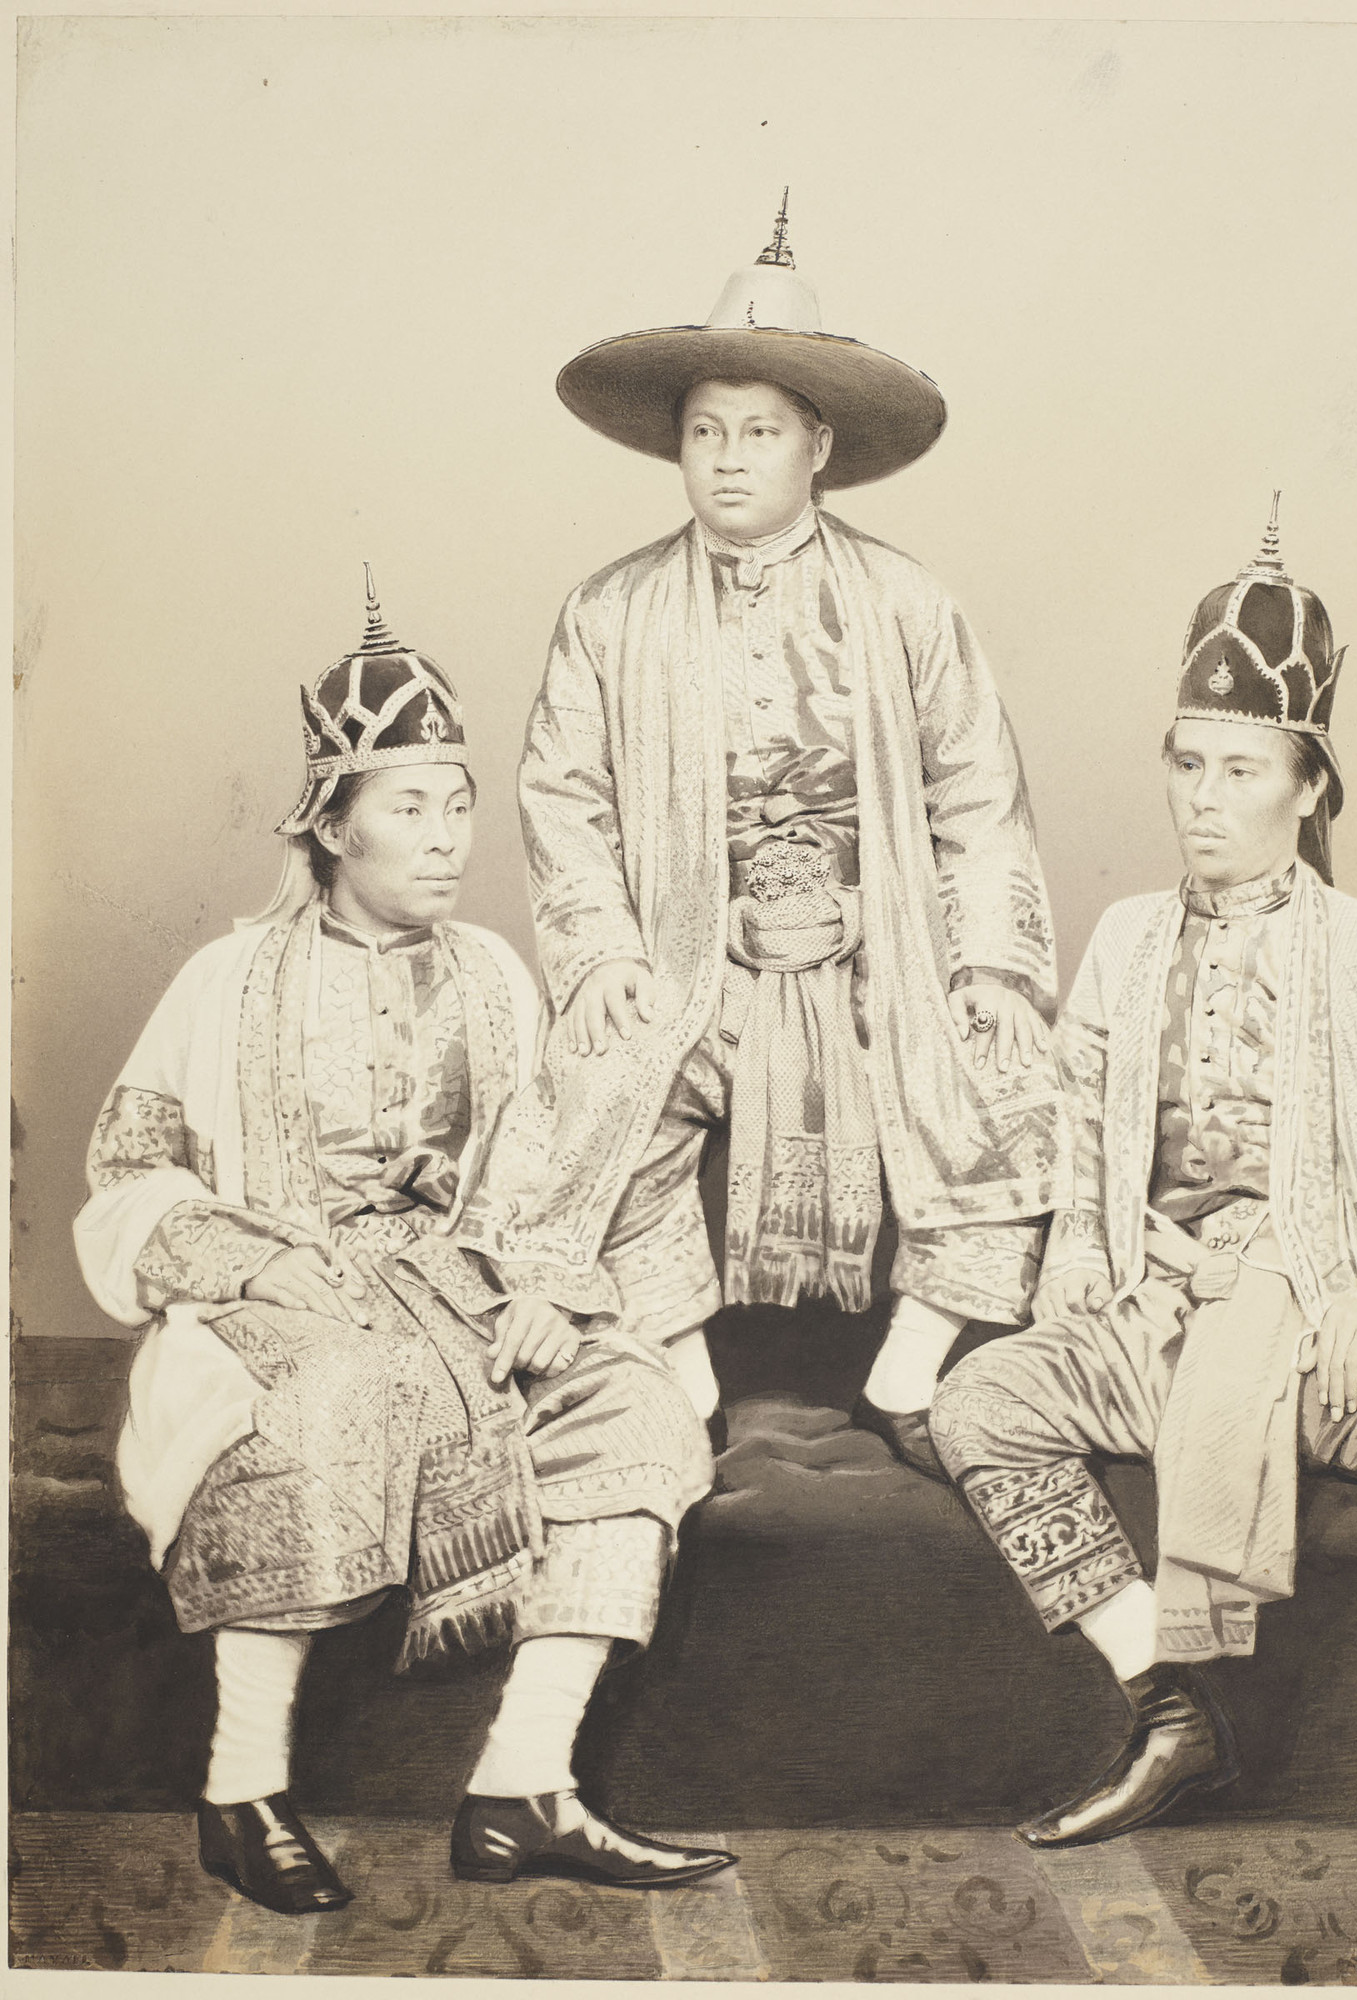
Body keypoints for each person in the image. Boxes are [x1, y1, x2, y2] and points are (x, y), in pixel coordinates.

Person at [74, 575, 732, 1916]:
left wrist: (546, 1289)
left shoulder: (493, 973)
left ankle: (522, 1784)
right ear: (333, 825)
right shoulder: (226, 980)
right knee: (335, 1389)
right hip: (284, 1294)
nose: (445, 841)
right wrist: (250, 1262)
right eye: (410, 808)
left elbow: (538, 1169)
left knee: (633, 1402)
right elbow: (129, 1172)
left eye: (458, 806)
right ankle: (241, 1790)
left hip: (456, 1291)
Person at [929, 501, 1357, 1902]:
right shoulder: (1126, 941)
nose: (1203, 797)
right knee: (979, 1406)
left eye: (1241, 768)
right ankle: (1169, 1707)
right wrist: (1084, 1258)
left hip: (1320, 1321)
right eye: (1186, 763)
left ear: (1308, 789)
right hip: (1160, 1315)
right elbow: (1075, 1125)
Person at [455, 197, 1076, 1475]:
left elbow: (977, 797)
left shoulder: (904, 602)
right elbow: (564, 795)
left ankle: (907, 1373)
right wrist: (602, 951)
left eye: (759, 432)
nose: (727, 460)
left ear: (818, 444)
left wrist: (991, 965)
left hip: (874, 954)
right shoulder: (610, 610)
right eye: (704, 432)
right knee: (596, 1094)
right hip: (700, 958)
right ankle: (686, 1387)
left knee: (1009, 1082)